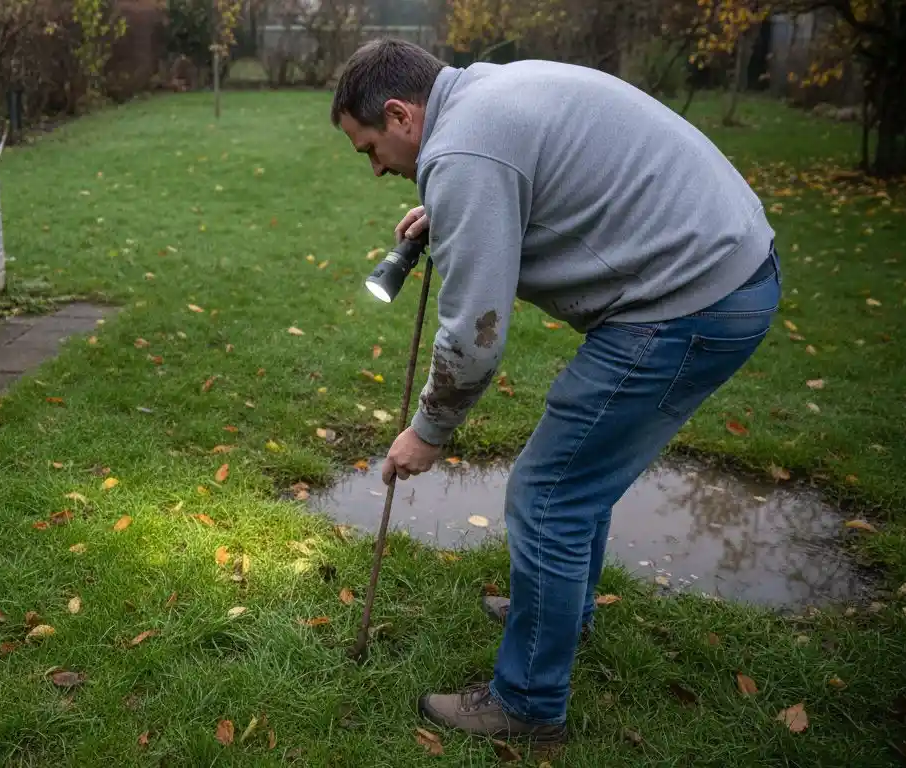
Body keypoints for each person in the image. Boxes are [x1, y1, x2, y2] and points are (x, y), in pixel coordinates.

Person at [330, 39, 781, 743]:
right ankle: (559, 612)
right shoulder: (482, 95)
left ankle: (529, 703)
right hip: (727, 266)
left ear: (400, 114)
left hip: (692, 298)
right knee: (576, 478)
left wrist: (429, 431)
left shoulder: (463, 150)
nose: (378, 168)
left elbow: (476, 335)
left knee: (548, 492)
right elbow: (521, 175)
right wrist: (453, 208)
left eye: (370, 149)